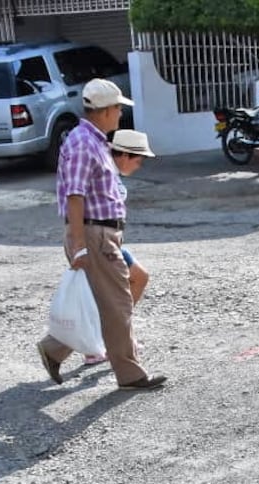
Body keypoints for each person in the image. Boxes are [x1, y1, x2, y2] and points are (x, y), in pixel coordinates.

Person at [37, 78, 166, 391]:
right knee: (118, 303)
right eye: (118, 109)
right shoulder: (83, 143)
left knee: (109, 298)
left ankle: (55, 348)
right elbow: (75, 195)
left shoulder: (94, 141)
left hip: (103, 234)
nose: (121, 114)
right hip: (94, 234)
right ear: (106, 110)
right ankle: (131, 374)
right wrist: (79, 244)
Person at [81, 128, 154, 366]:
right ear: (123, 155)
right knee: (108, 296)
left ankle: (115, 337)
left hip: (112, 240)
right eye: (138, 159)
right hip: (98, 241)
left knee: (137, 279)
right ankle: (99, 344)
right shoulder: (102, 173)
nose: (139, 165)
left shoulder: (112, 173)